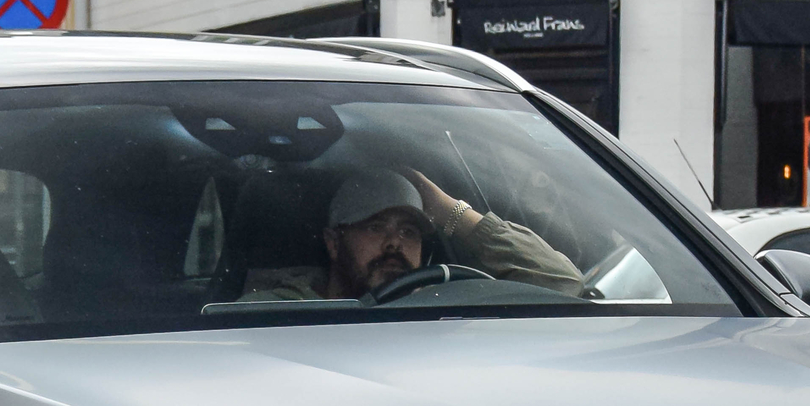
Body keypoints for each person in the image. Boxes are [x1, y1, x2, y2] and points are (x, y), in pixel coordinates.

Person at [242, 167, 581, 301]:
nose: (394, 244)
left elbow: (562, 282)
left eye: (408, 231)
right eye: (375, 227)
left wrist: (453, 213)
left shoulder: (442, 308)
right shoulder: (278, 309)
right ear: (333, 242)